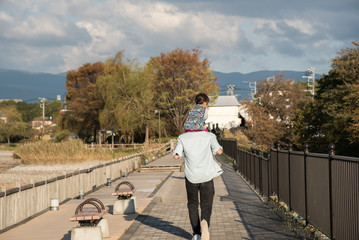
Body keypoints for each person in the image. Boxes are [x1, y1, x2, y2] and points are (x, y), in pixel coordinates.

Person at [173, 93, 223, 240]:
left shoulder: (182, 138)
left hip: (191, 177)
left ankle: (196, 234)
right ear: (203, 121)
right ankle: (205, 222)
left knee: (193, 204)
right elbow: (219, 151)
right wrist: (220, 149)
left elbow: (176, 155)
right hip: (207, 177)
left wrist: (178, 154)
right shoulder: (210, 137)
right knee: (206, 205)